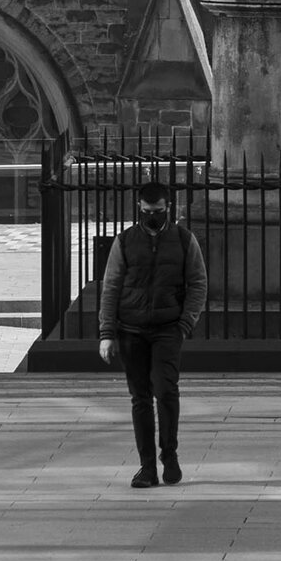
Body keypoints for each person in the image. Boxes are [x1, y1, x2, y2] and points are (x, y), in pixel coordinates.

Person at [97, 180, 207, 488]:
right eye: (147, 211)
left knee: (166, 391)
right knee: (140, 398)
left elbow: (198, 283)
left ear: (168, 209)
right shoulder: (125, 241)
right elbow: (111, 287)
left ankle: (168, 455)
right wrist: (107, 332)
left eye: (157, 211)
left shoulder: (184, 241)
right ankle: (147, 468)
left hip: (167, 329)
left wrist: (185, 322)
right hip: (131, 330)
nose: (152, 216)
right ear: (139, 210)